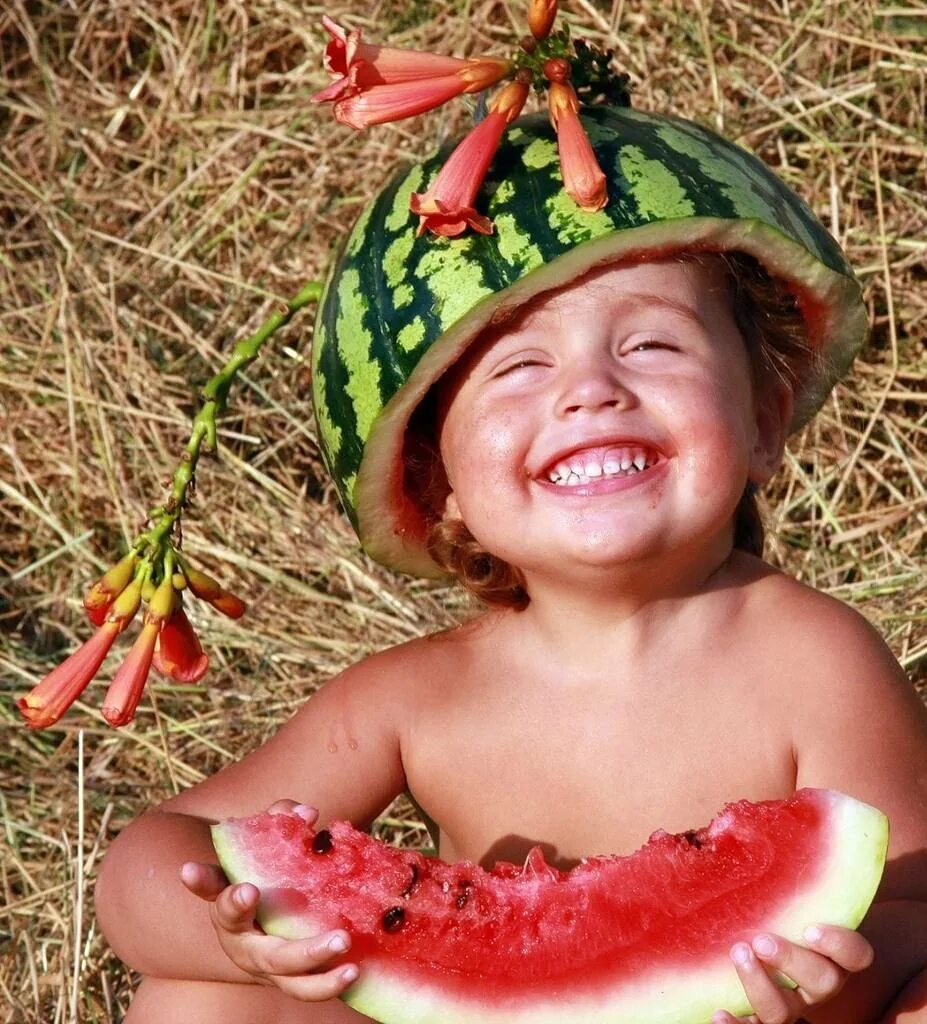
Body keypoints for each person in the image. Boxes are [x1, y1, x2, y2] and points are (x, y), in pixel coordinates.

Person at [94, 43, 927, 1024]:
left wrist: (824, 989)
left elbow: (915, 907)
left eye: (651, 343)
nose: (591, 392)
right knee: (193, 1002)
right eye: (519, 368)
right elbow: (145, 865)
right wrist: (243, 934)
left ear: (765, 420)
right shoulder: (419, 698)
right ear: (436, 481)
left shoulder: (814, 659)